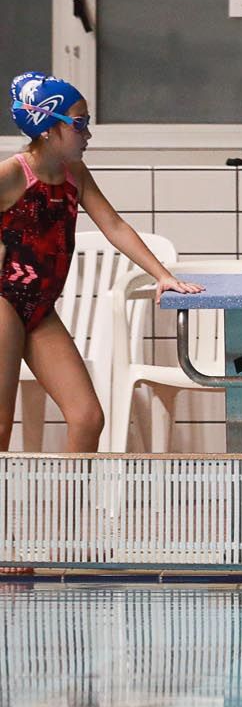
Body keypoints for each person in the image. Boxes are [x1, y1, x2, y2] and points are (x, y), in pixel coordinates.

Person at [0, 73, 198, 451]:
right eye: (80, 124)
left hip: (39, 309)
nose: (88, 133)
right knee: (0, 426)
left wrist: (162, 275)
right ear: (46, 128)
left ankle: (71, 512)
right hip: (3, 303)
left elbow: (114, 224)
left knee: (88, 418)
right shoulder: (13, 174)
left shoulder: (74, 174)